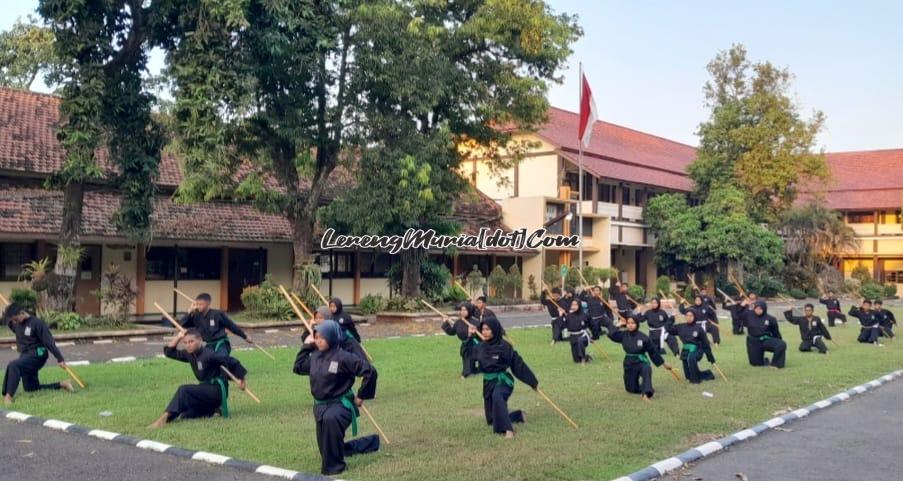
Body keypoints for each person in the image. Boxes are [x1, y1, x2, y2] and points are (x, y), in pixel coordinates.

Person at [293, 320, 379, 475]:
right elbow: (298, 367)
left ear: (332, 337)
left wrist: (361, 395)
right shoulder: (315, 357)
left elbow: (370, 371)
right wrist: (306, 345)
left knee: (330, 430)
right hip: (320, 407)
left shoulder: (343, 357)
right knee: (327, 448)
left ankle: (335, 470)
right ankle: (370, 443)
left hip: (341, 405)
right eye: (316, 337)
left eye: (322, 337)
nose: (318, 340)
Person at [149, 329, 248, 428]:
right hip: (205, 390)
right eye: (185, 342)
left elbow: (231, 361)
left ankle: (164, 418)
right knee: (186, 415)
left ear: (200, 340)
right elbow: (169, 352)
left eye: (191, 341)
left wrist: (241, 380)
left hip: (216, 390)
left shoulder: (209, 355)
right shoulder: (189, 354)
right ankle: (213, 409)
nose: (188, 345)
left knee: (184, 390)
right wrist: (178, 337)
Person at [471, 316, 539, 438]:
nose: (485, 332)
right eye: (483, 329)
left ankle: (509, 430)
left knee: (498, 396)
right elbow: (472, 361)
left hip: (503, 381)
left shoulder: (504, 346)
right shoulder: (480, 347)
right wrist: (470, 337)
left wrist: (532, 382)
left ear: (495, 330)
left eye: (488, 329)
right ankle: (518, 415)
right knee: (492, 421)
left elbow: (518, 365)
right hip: (488, 382)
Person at [3, 304, 73, 405]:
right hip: (25, 355)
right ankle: (63, 384)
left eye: (16, 319)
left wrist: (59, 358)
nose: (14, 322)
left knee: (13, 365)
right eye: (13, 320)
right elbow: (10, 321)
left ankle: (8, 397)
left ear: (22, 313)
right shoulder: (15, 323)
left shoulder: (37, 323)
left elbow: (49, 342)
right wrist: (8, 311)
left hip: (39, 353)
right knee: (31, 388)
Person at [607, 316, 672, 401]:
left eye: (632, 323)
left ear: (637, 324)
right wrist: (618, 325)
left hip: (641, 361)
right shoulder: (623, 335)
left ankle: (646, 394)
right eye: (628, 323)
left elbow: (653, 351)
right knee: (631, 389)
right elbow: (611, 334)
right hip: (629, 363)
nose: (630, 325)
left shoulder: (643, 337)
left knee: (646, 368)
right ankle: (643, 386)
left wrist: (664, 363)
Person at [178, 293, 254, 355]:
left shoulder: (217, 314)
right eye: (197, 304)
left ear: (208, 304)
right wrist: (189, 311)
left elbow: (231, 326)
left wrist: (245, 337)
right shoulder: (196, 316)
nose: (198, 306)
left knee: (221, 359)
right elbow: (182, 324)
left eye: (201, 304)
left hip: (221, 344)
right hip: (208, 345)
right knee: (207, 363)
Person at [665, 310, 716, 384]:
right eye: (687, 315)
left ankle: (695, 380)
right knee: (688, 376)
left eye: (691, 316)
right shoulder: (681, 327)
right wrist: (672, 317)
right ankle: (708, 374)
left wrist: (710, 358)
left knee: (691, 357)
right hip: (685, 351)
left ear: (694, 317)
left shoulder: (699, 328)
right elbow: (668, 328)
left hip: (697, 350)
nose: (689, 317)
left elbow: (705, 344)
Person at [742, 300, 786, 368]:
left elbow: (776, 333)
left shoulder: (771, 319)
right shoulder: (749, 314)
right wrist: (742, 306)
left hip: (765, 340)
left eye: (760, 309)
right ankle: (764, 360)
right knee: (756, 364)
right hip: (753, 342)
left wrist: (778, 343)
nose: (758, 310)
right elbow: (737, 316)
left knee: (781, 344)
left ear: (764, 309)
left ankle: (775, 364)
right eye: (756, 308)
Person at [441, 302, 480, 378]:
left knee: (471, 355)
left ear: (469, 310)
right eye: (462, 310)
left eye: (465, 310)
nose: (463, 312)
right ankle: (469, 371)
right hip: (465, 343)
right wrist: (445, 322)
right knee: (465, 354)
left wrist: (471, 333)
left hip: (475, 343)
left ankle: (466, 373)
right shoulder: (459, 322)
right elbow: (452, 332)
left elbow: (479, 335)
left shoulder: (475, 322)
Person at [563, 299, 591, 363]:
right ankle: (587, 357)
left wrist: (593, 336)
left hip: (583, 335)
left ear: (579, 306)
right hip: (573, 336)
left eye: (576, 305)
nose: (573, 306)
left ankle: (583, 358)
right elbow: (564, 326)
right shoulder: (569, 316)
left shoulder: (585, 315)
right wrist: (560, 315)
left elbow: (592, 325)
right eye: (572, 304)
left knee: (580, 340)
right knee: (576, 360)